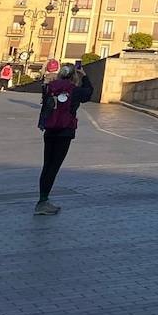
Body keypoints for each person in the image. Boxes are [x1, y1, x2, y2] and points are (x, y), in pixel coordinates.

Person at [34, 63, 93, 215]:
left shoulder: (50, 88)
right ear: (74, 76)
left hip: (50, 130)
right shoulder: (75, 90)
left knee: (47, 165)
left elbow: (45, 107)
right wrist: (84, 75)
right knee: (54, 166)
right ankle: (43, 202)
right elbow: (89, 92)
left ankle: (43, 199)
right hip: (65, 131)